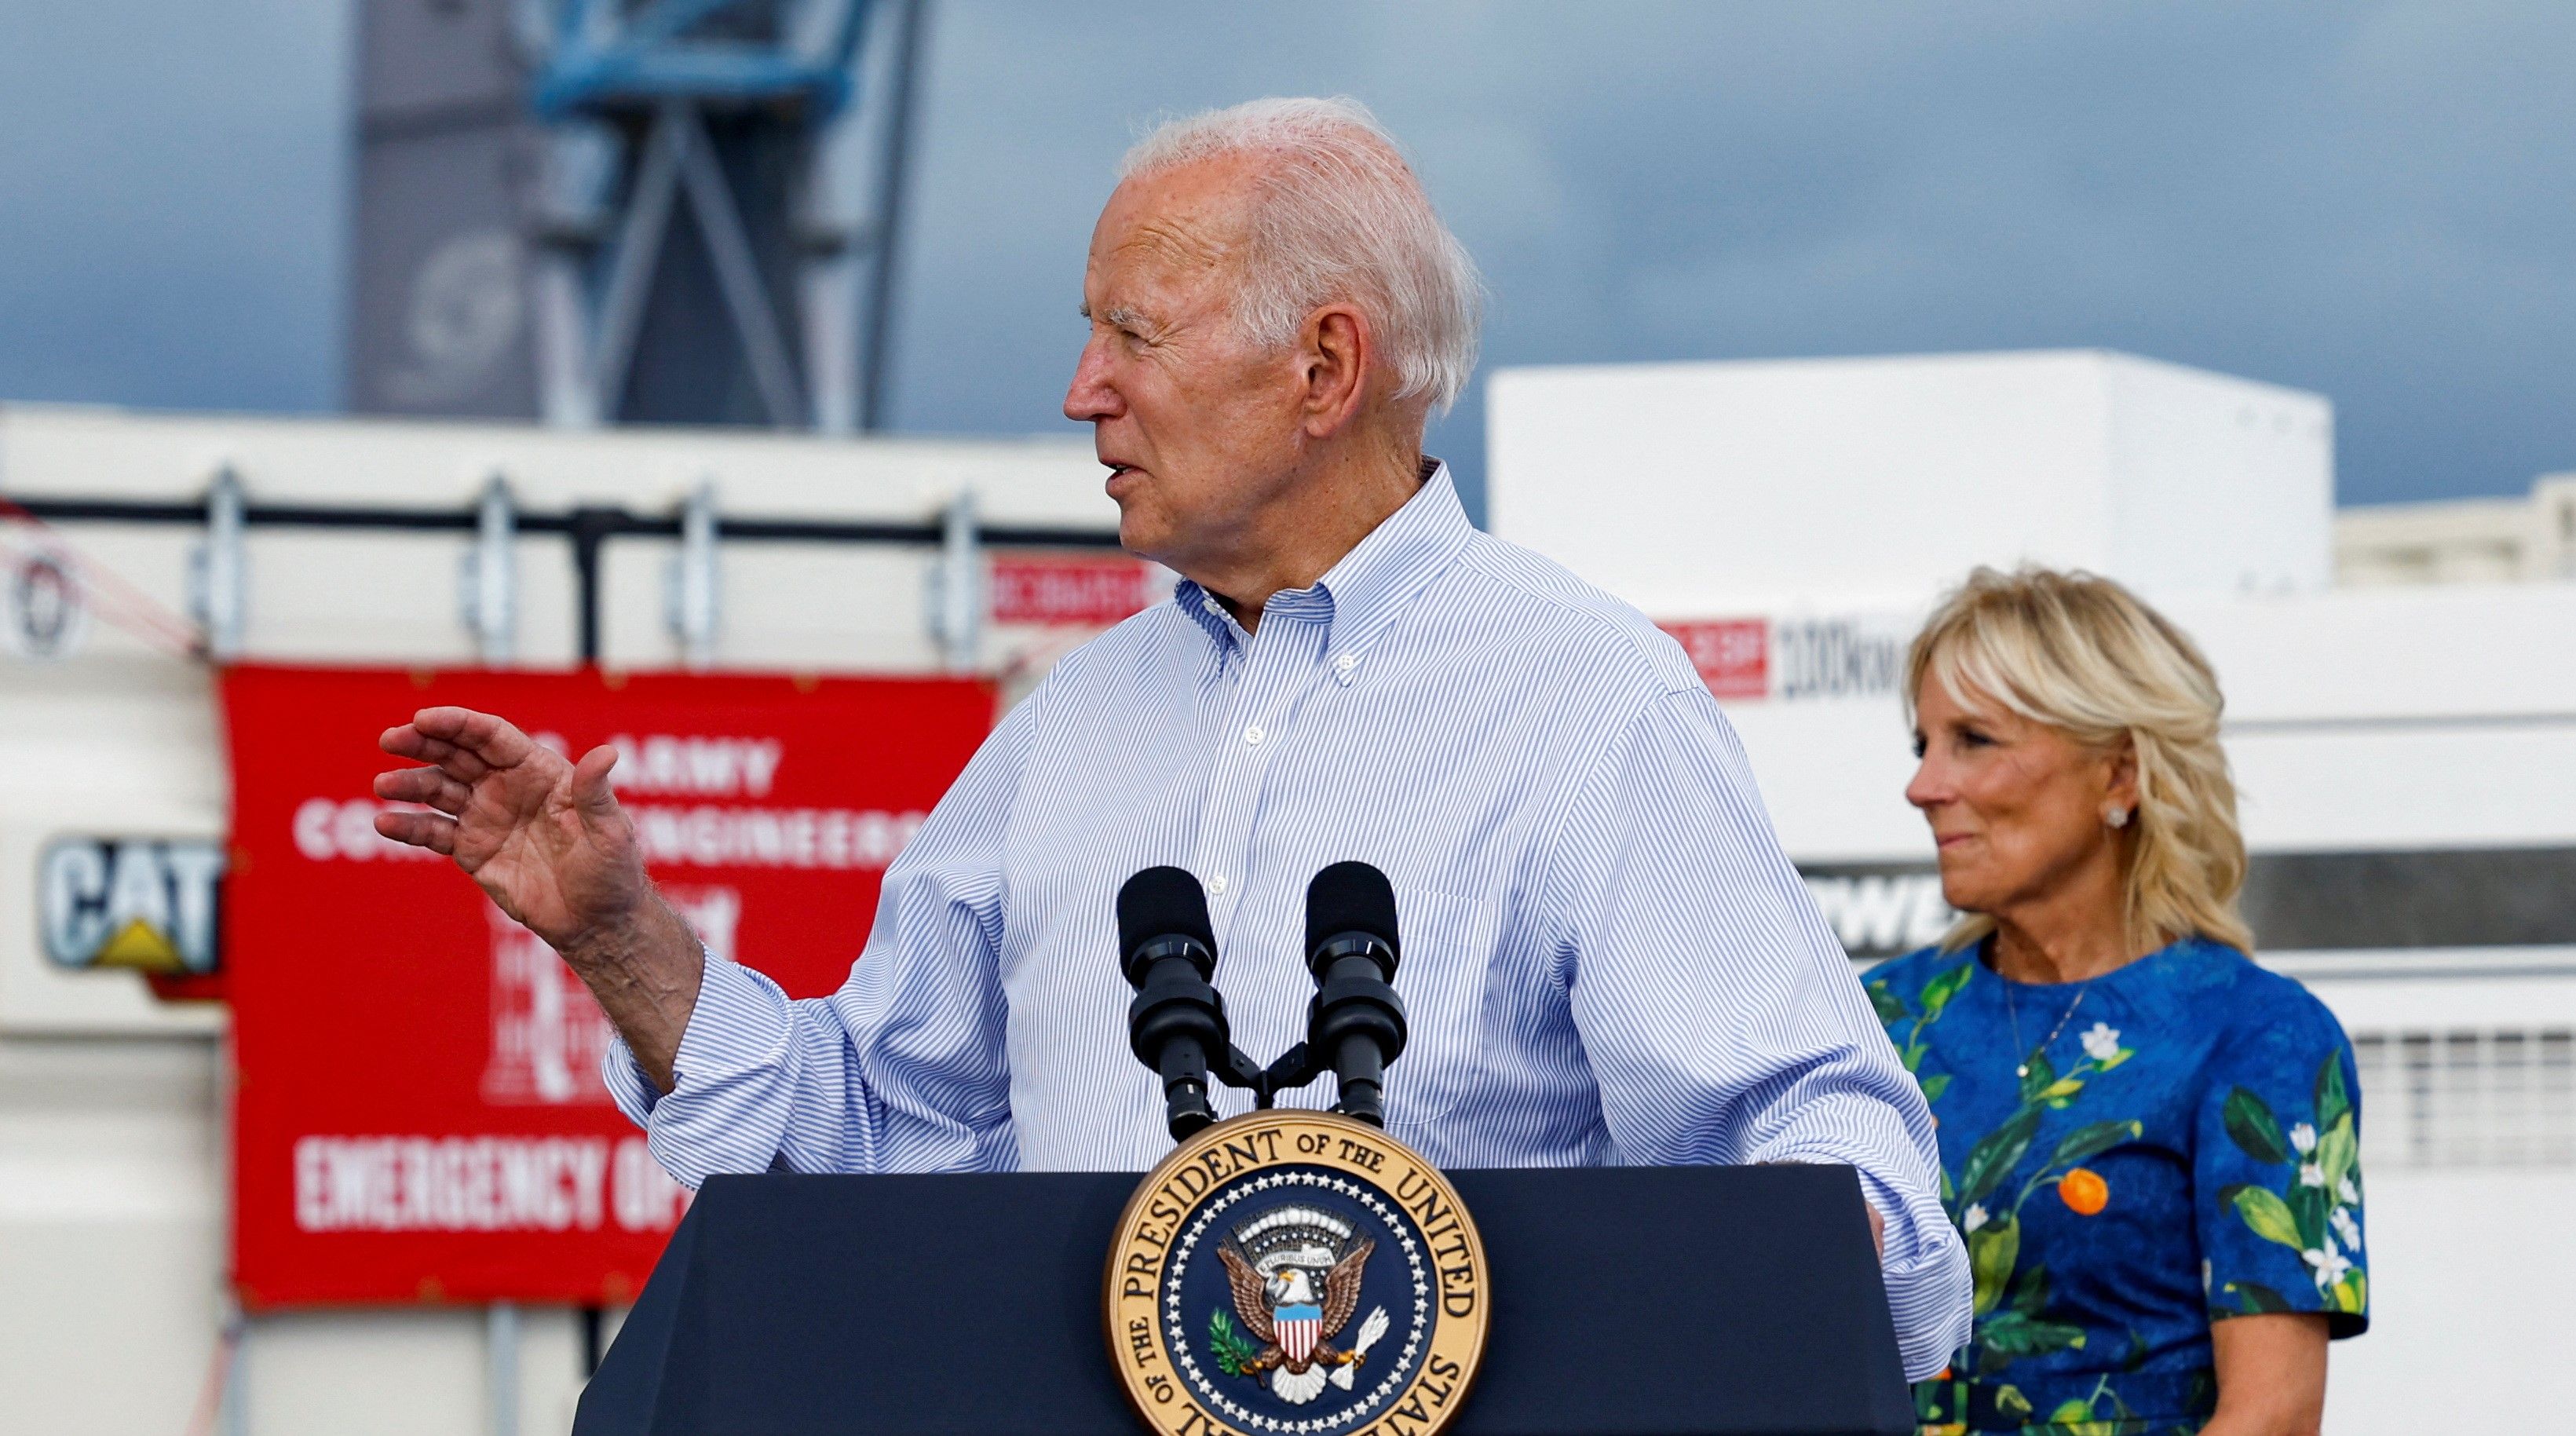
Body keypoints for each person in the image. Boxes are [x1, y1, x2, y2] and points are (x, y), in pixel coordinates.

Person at [374, 96, 1970, 1376]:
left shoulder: (1584, 699)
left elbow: (1827, 1169)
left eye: (1131, 334)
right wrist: (620, 938)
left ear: (1323, 365)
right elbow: (862, 1150)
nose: (1080, 392)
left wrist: (1809, 1264)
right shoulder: (1066, 728)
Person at [1865, 568, 2367, 1436]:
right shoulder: (1876, 1020)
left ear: (2118, 773)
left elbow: (2273, 1414)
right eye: (1923, 746)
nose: (1923, 786)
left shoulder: (2257, 1036)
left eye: (1974, 739)